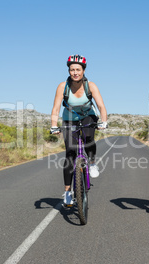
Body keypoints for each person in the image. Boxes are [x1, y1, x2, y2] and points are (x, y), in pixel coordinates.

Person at [50, 54, 108, 206]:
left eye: (78, 69)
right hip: (69, 119)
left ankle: (93, 163)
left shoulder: (91, 86)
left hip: (88, 116)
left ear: (83, 70)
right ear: (69, 71)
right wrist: (54, 125)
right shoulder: (63, 86)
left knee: (89, 137)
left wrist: (104, 121)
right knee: (70, 152)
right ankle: (68, 192)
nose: (75, 72)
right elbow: (56, 108)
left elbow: (101, 106)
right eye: (72, 69)